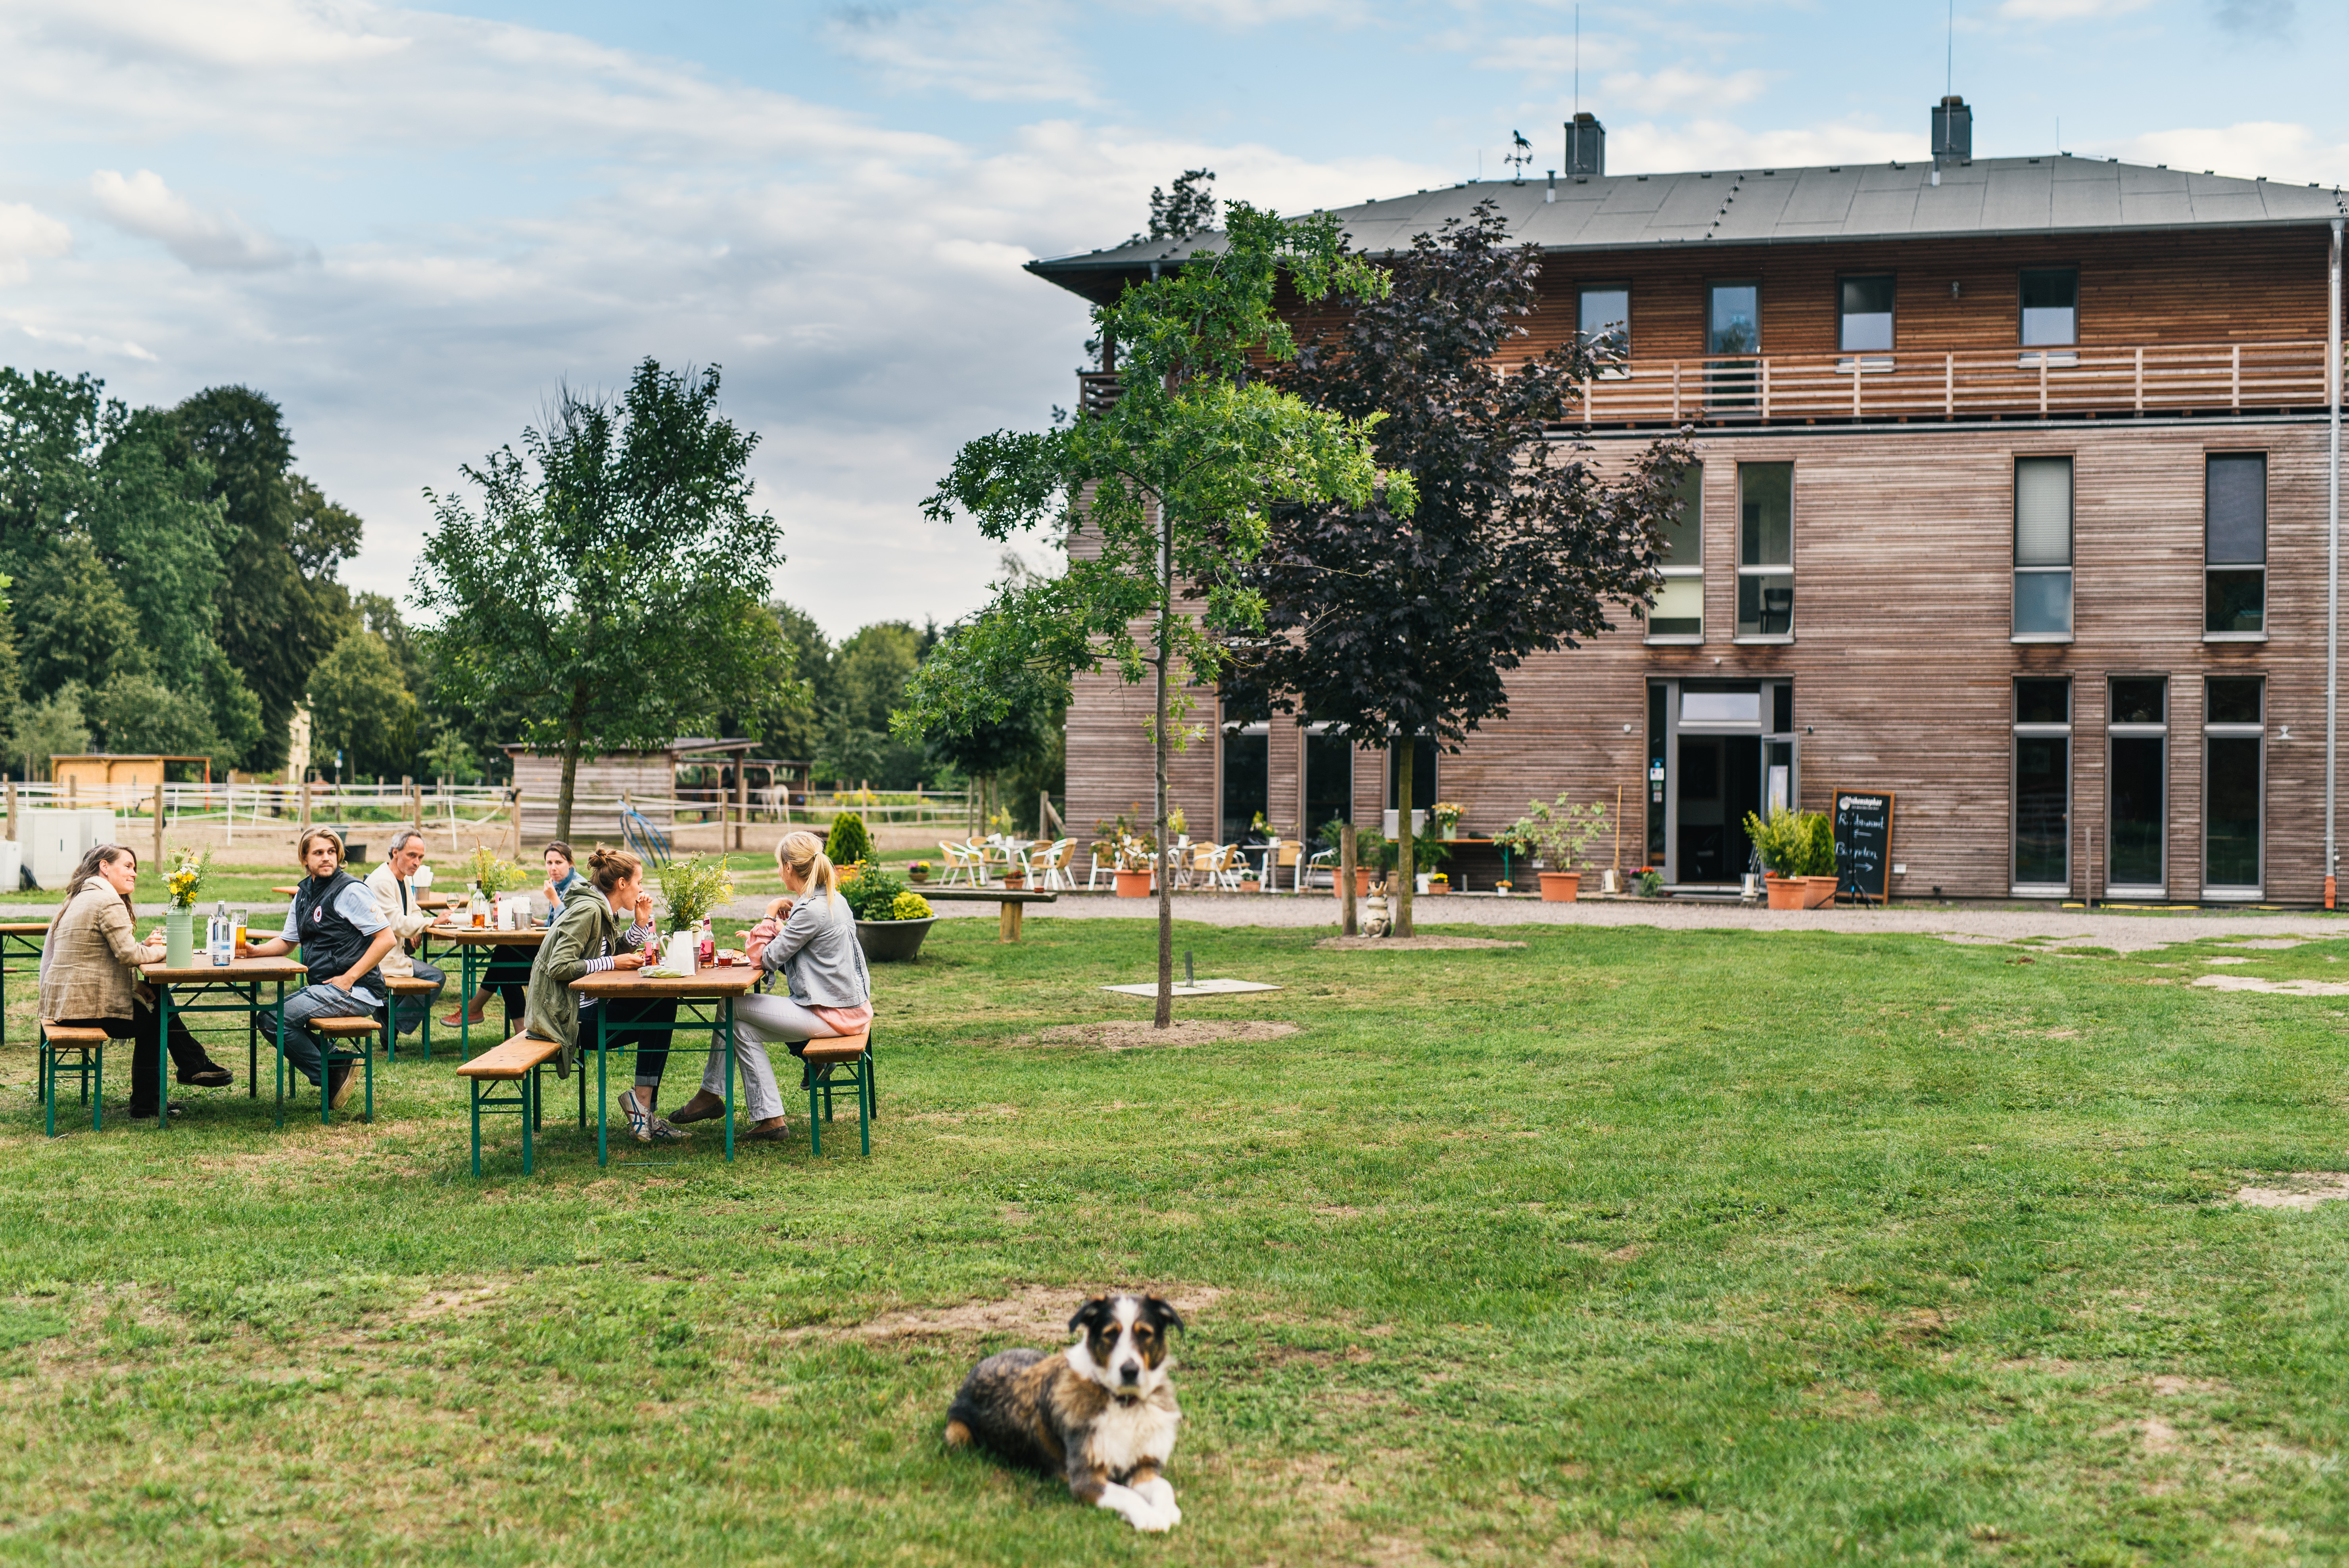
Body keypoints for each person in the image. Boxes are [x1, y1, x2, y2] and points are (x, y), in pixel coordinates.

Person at [668, 830, 871, 1145]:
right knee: (741, 1028)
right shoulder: (832, 900)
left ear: (790, 867)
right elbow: (805, 940)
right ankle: (769, 1120)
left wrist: (769, 912)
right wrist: (783, 928)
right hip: (846, 1008)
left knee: (729, 1006)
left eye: (779, 864)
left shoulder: (810, 909)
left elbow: (763, 959)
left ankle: (711, 1095)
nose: (779, 870)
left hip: (830, 1014)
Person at [38, 844, 232, 1121]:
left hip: (67, 1002)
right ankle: (166, 1088)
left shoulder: (83, 897)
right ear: (105, 867)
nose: (134, 874)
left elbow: (99, 956)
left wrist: (137, 979)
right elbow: (129, 955)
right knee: (157, 1019)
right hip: (83, 1008)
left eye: (135, 868)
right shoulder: (106, 901)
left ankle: (183, 1074)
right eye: (127, 866)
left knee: (156, 993)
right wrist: (167, 949)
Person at [522, 845, 685, 1142]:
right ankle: (643, 1110)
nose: (641, 889)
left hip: (580, 1008)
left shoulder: (601, 908)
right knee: (660, 1008)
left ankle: (644, 1110)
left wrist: (639, 924)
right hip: (564, 1020)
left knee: (662, 1001)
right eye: (638, 882)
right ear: (622, 884)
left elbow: (612, 949)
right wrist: (613, 962)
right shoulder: (588, 910)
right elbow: (561, 965)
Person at [242, 827, 398, 1111]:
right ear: (304, 858)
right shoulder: (303, 894)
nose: (327, 858)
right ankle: (337, 1063)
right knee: (267, 1019)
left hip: (357, 990)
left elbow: (386, 938)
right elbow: (288, 941)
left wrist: (349, 979)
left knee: (275, 1021)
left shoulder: (350, 890)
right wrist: (256, 951)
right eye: (318, 853)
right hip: (325, 987)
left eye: (331, 852)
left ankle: (330, 1073)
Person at [365, 828, 444, 1036]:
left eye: (420, 857)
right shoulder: (382, 881)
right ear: (395, 853)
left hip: (395, 952)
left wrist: (416, 926)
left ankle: (388, 1017)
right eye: (412, 856)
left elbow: (414, 912)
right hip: (378, 957)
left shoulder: (403, 878)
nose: (417, 863)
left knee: (431, 977)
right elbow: (397, 922)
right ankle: (394, 1023)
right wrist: (432, 922)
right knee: (436, 977)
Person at [542, 842, 587, 914]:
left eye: (559, 862)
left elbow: (570, 922)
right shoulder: (556, 883)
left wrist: (553, 898)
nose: (553, 868)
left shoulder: (579, 886)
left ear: (570, 863)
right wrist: (536, 921)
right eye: (549, 863)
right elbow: (554, 922)